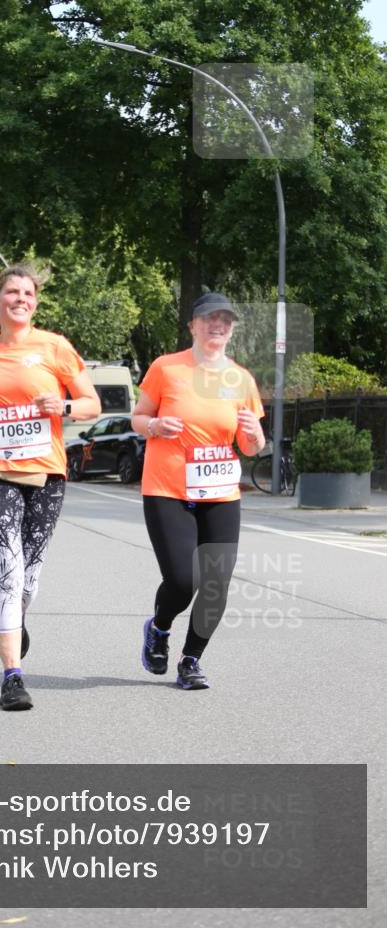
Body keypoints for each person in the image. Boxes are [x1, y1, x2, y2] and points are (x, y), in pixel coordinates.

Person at [0, 264, 101, 711]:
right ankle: (12, 677)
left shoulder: (55, 347)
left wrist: (65, 406)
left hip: (47, 475)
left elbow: (92, 404)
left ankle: (15, 619)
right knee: (9, 568)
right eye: (12, 292)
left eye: (29, 293)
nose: (21, 298)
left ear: (35, 303)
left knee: (30, 577)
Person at [131, 292, 265, 691]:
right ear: (193, 326)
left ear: (231, 329)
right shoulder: (166, 368)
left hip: (220, 493)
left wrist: (256, 435)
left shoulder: (241, 379)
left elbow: (251, 445)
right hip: (167, 489)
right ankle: (159, 628)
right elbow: (138, 417)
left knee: (216, 583)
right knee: (182, 579)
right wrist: (154, 426)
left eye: (225, 320)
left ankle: (191, 660)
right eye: (209, 318)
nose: (217, 325)